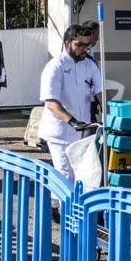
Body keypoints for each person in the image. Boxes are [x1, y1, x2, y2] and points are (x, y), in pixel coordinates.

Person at [38, 23, 102, 185]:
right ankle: (62, 209)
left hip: (82, 132)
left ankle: (53, 206)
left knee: (80, 173)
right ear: (68, 43)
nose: (84, 49)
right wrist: (72, 121)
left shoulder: (90, 65)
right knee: (65, 174)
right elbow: (51, 102)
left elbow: (101, 92)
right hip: (60, 132)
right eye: (79, 45)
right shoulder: (55, 67)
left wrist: (112, 112)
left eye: (87, 45)